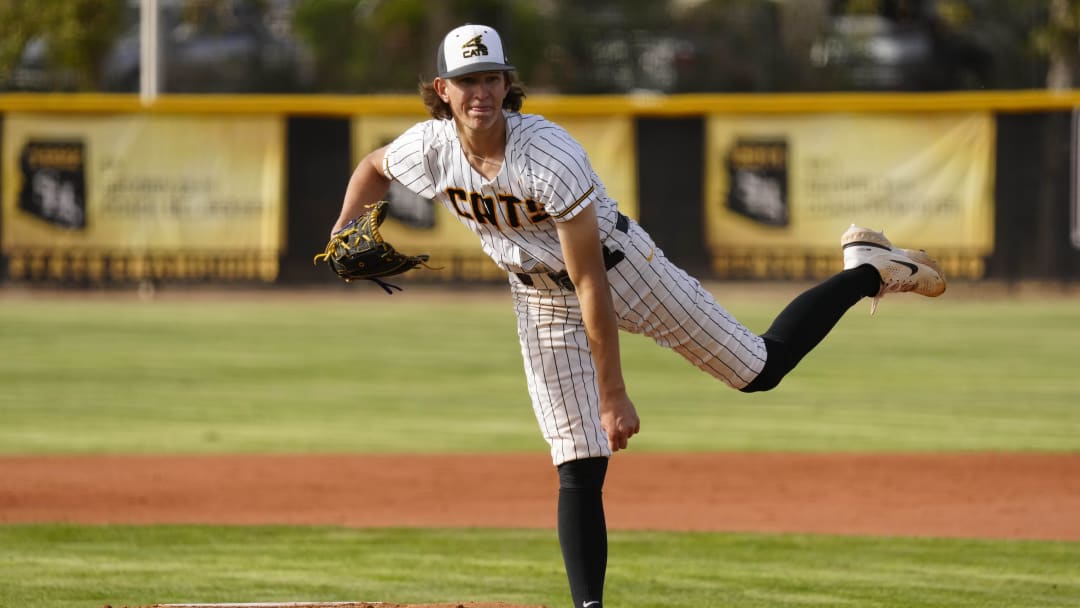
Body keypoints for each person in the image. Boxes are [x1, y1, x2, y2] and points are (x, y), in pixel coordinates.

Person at [330, 23, 946, 608]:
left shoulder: (547, 154)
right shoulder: (431, 147)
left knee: (759, 368)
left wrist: (614, 393)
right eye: (467, 80)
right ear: (443, 90)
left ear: (507, 83)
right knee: (576, 459)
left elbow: (589, 279)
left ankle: (868, 267)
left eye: (491, 77)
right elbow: (374, 169)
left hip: (624, 271)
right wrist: (342, 232)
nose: (481, 92)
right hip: (538, 298)